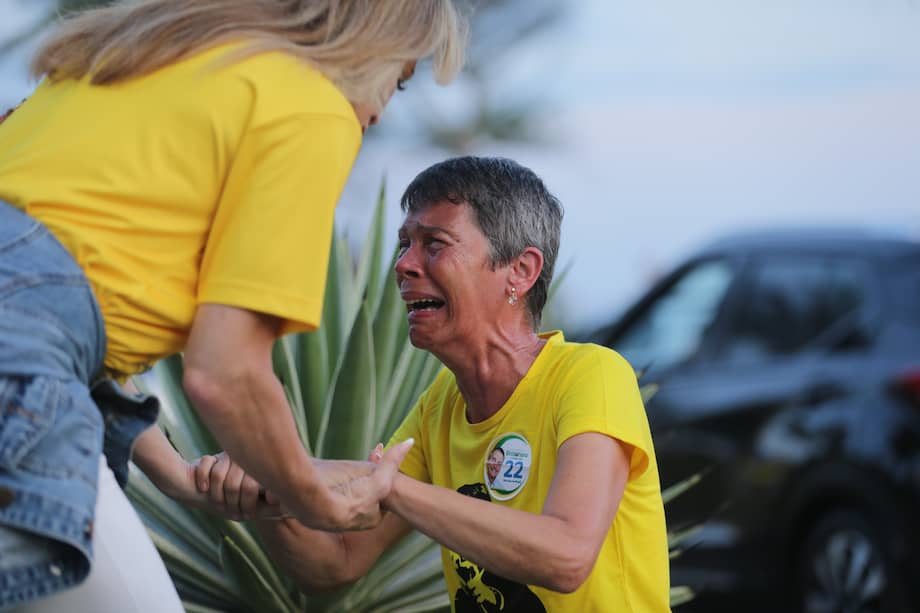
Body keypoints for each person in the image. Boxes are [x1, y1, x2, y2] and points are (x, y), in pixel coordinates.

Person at [0, 1, 467, 610]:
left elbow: (50, 316)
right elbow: (225, 374)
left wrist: (182, 478)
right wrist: (315, 500)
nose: (379, 111)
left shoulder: (134, 58)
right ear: (364, 42)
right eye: (397, 79)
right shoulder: (310, 105)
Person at [206, 156, 672, 611]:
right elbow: (336, 566)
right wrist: (264, 494)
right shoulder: (440, 408)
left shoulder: (592, 375)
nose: (404, 265)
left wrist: (390, 487)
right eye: (404, 244)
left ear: (521, 271)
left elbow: (567, 556)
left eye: (434, 245)